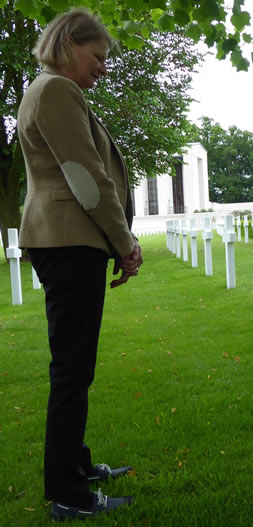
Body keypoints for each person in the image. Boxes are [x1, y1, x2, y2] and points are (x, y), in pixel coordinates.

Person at [17, 8, 143, 522]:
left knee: (75, 367)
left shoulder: (46, 91)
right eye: (98, 57)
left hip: (66, 241)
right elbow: (86, 175)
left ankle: (78, 465)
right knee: (72, 370)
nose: (102, 69)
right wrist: (124, 242)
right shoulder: (55, 91)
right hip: (71, 242)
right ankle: (67, 493)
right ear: (70, 42)